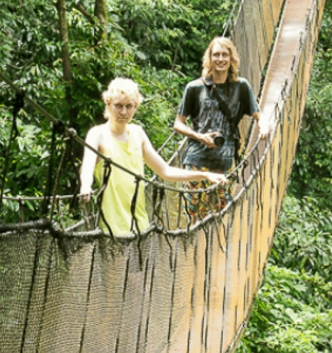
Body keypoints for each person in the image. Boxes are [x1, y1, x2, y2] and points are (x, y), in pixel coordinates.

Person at [79, 78, 224, 237]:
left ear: (135, 107)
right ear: (108, 104)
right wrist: (86, 186)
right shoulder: (98, 135)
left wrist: (205, 175)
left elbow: (165, 171)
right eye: (118, 105)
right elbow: (87, 167)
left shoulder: (138, 133)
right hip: (111, 230)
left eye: (129, 106)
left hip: (140, 227)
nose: (124, 112)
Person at [173, 36, 263, 175]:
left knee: (226, 191)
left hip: (225, 164)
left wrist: (264, 126)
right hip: (195, 162)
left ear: (231, 58)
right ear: (209, 58)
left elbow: (259, 116)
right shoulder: (194, 88)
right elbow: (178, 124)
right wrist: (199, 136)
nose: (220, 59)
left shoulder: (241, 87)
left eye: (225, 55)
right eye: (216, 55)